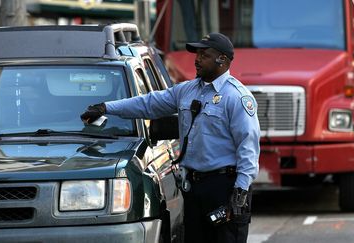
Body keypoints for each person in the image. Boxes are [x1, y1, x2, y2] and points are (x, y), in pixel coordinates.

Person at [80, 32, 260, 243]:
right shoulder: (186, 90)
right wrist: (105, 107)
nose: (197, 59)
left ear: (222, 59)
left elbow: (248, 149)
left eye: (204, 54)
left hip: (224, 187)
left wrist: (240, 192)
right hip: (194, 187)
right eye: (197, 54)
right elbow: (148, 103)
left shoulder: (237, 97)